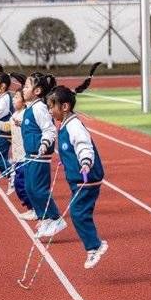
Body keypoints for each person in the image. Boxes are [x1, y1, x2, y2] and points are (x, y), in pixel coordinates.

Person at [47, 84, 108, 269]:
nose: (50, 110)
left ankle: (95, 246)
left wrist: (85, 162)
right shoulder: (65, 125)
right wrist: (66, 161)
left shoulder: (74, 125)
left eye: (52, 106)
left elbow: (83, 145)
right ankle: (94, 246)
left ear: (64, 107)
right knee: (82, 213)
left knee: (78, 213)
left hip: (86, 178)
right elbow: (70, 148)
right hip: (78, 179)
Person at [22, 72, 67, 239]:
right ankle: (44, 218)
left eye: (26, 86)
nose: (23, 89)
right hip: (30, 155)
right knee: (29, 188)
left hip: (39, 155)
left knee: (39, 190)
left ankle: (56, 218)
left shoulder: (40, 107)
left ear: (37, 90)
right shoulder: (30, 108)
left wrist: (44, 144)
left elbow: (49, 130)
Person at [0, 84, 33, 220]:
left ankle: (36, 210)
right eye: (14, 97)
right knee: (20, 186)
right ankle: (33, 208)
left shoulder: (26, 114)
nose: (13, 100)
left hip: (26, 156)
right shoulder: (15, 115)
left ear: (24, 102)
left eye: (17, 97)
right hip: (17, 157)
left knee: (24, 185)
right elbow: (6, 126)